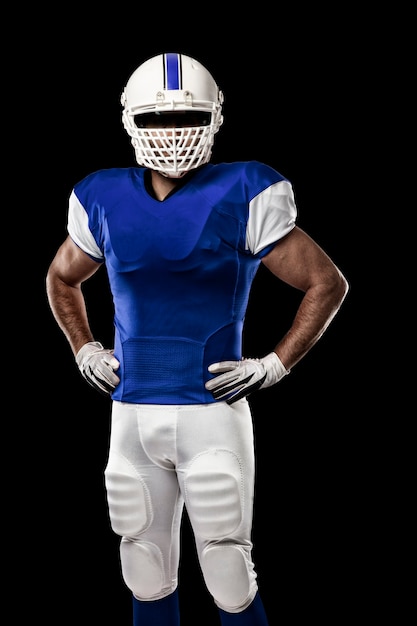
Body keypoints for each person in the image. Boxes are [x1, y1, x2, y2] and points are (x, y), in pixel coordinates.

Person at [46, 52, 349, 626]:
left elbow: (325, 282)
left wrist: (274, 365)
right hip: (131, 411)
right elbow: (62, 276)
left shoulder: (245, 188)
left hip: (212, 408)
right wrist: (83, 346)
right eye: (157, 119)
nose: (172, 133)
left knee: (228, 571)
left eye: (185, 117)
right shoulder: (102, 195)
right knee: (142, 563)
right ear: (130, 120)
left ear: (215, 117)